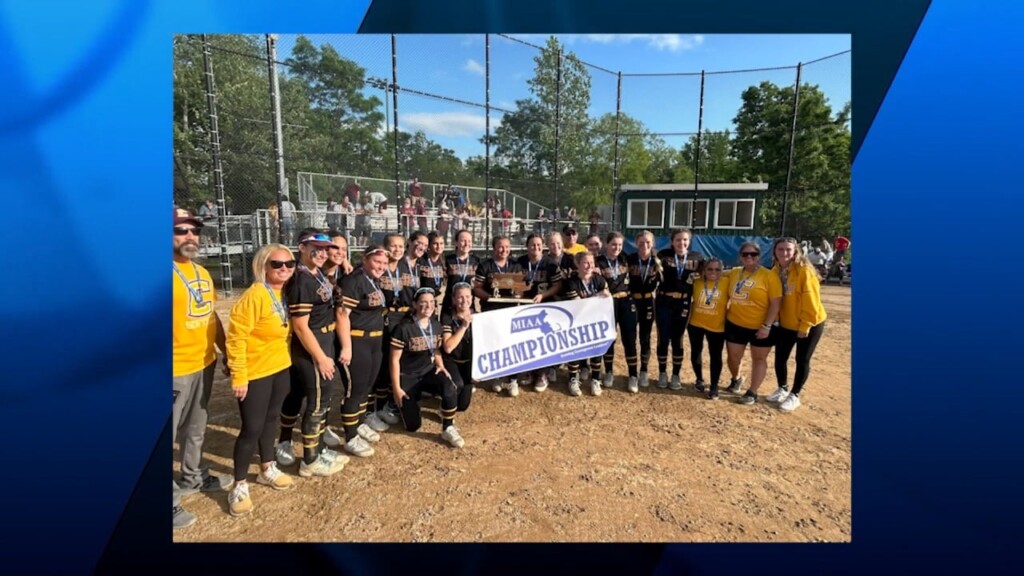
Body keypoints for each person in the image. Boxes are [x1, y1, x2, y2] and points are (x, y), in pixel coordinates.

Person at [224, 244, 297, 517]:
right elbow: (236, 338)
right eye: (277, 264)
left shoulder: (285, 292)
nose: (284, 269)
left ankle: (267, 467)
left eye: (289, 263)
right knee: (251, 428)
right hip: (255, 372)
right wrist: (238, 375)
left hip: (280, 367)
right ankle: (239, 485)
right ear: (263, 266)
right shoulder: (254, 296)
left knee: (270, 420)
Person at [172, 209, 231, 530]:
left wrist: (226, 352)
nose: (190, 236)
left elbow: (211, 317)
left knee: (196, 428)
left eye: (194, 231)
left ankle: (192, 476)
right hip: (174, 370)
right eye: (181, 230)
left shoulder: (201, 272)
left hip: (203, 363)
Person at [274, 231, 350, 476]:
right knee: (316, 402)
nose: (322, 253)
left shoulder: (316, 274)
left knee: (323, 398)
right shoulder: (301, 280)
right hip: (312, 346)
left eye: (326, 248)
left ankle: (318, 449)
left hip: (325, 339)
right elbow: (300, 326)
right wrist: (320, 357)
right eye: (316, 248)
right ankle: (310, 460)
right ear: (302, 248)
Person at [390, 288, 468, 448]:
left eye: (432, 302)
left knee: (449, 386)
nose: (429, 306)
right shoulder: (403, 328)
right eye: (423, 302)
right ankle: (399, 404)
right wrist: (396, 388)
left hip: (428, 371)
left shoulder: (436, 325)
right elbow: (394, 360)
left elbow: (436, 349)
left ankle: (448, 427)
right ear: (414, 304)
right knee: (413, 426)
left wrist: (440, 365)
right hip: (408, 376)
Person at [336, 245, 391, 459]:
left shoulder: (372, 279)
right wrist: (347, 347)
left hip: (374, 341)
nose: (381, 266)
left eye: (384, 263)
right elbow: (342, 315)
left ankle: (358, 424)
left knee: (366, 387)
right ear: (365, 260)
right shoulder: (354, 280)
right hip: (358, 341)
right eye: (377, 261)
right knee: (355, 390)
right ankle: (350, 437)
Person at [766, 237, 827, 412]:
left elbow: (811, 301)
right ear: (775, 252)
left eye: (788, 249)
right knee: (780, 357)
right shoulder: (775, 270)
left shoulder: (804, 270)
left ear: (795, 252)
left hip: (810, 322)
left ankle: (795, 395)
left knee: (802, 359)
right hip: (786, 323)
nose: (784, 253)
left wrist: (805, 325)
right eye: (780, 249)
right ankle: (782, 388)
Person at [725, 241, 783, 405]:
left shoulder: (769, 276)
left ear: (759, 256)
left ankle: (752, 391)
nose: (749, 257)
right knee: (733, 357)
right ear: (740, 257)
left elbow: (776, 304)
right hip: (736, 323)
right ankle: (736, 378)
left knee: (759, 358)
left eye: (753, 254)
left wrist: (767, 326)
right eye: (745, 254)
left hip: (761, 326)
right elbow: (714, 272)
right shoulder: (734, 272)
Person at [473, 235, 524, 396]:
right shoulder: (485, 265)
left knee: (512, 345)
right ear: (494, 247)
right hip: (491, 310)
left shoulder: (515, 265)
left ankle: (513, 379)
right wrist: (489, 297)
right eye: (501, 247)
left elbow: (521, 287)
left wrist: (518, 294)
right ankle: (497, 376)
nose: (504, 250)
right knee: (494, 344)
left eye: (507, 247)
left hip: (511, 311)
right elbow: (477, 288)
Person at [655, 228, 704, 390]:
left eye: (685, 240)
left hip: (683, 302)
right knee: (663, 338)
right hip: (664, 301)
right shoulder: (663, 255)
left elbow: (708, 274)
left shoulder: (697, 258)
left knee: (678, 339)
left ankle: (676, 374)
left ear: (689, 241)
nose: (681, 243)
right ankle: (662, 372)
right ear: (672, 241)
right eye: (678, 240)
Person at [517, 233, 564, 392]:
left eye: (538, 245)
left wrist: (543, 295)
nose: (535, 247)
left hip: (545, 307)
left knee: (543, 340)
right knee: (527, 339)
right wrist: (517, 292)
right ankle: (529, 370)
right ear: (527, 246)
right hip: (525, 306)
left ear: (542, 246)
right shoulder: (520, 262)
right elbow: (514, 282)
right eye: (532, 244)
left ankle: (542, 374)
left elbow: (557, 285)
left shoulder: (550, 263)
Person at [561, 251, 611, 396]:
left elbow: (607, 298)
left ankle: (595, 379)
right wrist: (598, 295)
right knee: (576, 350)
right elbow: (579, 305)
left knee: (596, 350)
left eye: (592, 263)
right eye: (586, 263)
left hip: (596, 321)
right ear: (577, 264)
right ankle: (573, 379)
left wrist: (603, 296)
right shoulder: (571, 282)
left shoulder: (599, 279)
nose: (590, 266)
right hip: (577, 321)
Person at [597, 232, 638, 391]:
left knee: (629, 338)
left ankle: (633, 375)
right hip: (608, 302)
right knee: (609, 338)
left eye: (620, 245)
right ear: (606, 244)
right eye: (614, 244)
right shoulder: (599, 261)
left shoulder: (626, 258)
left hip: (626, 301)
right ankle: (608, 372)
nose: (617, 247)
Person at [687, 257, 728, 400]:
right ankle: (699, 379)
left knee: (715, 355)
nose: (713, 272)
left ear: (722, 270)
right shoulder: (696, 281)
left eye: (717, 269)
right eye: (709, 269)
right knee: (696, 351)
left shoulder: (727, 281)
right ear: (704, 270)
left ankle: (714, 386)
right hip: (695, 324)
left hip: (717, 326)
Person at [627, 231, 662, 391]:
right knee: (631, 337)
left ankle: (644, 370)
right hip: (632, 300)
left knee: (645, 337)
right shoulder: (629, 259)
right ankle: (632, 374)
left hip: (648, 301)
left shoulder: (658, 260)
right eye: (641, 242)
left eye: (648, 242)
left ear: (652, 243)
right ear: (636, 243)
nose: (644, 245)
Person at [441, 282, 478, 403]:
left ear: (472, 298)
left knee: (463, 405)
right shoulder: (447, 317)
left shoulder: (478, 317)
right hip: (452, 360)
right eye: (460, 297)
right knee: (457, 385)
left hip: (469, 362)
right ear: (453, 300)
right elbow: (448, 348)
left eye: (467, 296)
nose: (464, 300)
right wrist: (463, 326)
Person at [442, 229, 479, 316]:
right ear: (456, 243)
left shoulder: (476, 261)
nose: (466, 244)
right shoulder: (447, 260)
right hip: (449, 305)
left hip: (468, 304)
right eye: (463, 241)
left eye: (469, 241)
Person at [418, 231, 448, 302]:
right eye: (435, 244)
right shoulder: (421, 260)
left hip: (435, 298)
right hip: (421, 298)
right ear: (428, 245)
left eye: (441, 243)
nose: (439, 246)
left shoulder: (444, 261)